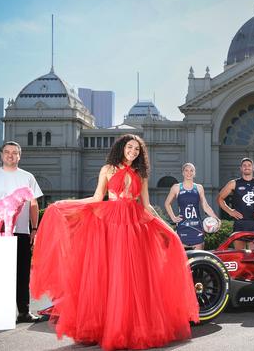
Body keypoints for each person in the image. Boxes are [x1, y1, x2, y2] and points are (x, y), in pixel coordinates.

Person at [30, 134, 199, 350]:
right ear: (122, 147)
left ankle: (131, 329)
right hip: (111, 224)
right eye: (130, 147)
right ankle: (106, 327)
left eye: (137, 149)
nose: (133, 152)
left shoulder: (141, 173)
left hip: (134, 224)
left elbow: (146, 205)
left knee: (133, 277)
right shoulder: (108, 169)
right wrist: (66, 203)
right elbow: (97, 198)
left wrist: (166, 226)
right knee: (110, 276)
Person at [0, 141, 44, 324]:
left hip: (21, 232)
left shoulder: (27, 177)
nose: (10, 155)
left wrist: (34, 228)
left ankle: (24, 312)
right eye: (7, 152)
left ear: (19, 156)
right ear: (2, 155)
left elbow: (34, 205)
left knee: (22, 273)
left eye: (15, 153)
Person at [217, 157, 254, 249]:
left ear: (253, 168)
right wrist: (230, 211)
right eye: (244, 165)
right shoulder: (233, 183)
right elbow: (220, 198)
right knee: (239, 254)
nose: (247, 167)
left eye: (249, 165)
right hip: (240, 223)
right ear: (241, 168)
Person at [164, 162, 219, 250]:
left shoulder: (199, 188)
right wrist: (173, 217)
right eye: (186, 170)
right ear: (183, 173)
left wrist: (216, 219)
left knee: (198, 258)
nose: (189, 173)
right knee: (183, 259)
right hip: (182, 227)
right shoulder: (176, 187)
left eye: (191, 170)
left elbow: (205, 206)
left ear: (194, 173)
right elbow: (167, 203)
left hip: (196, 227)